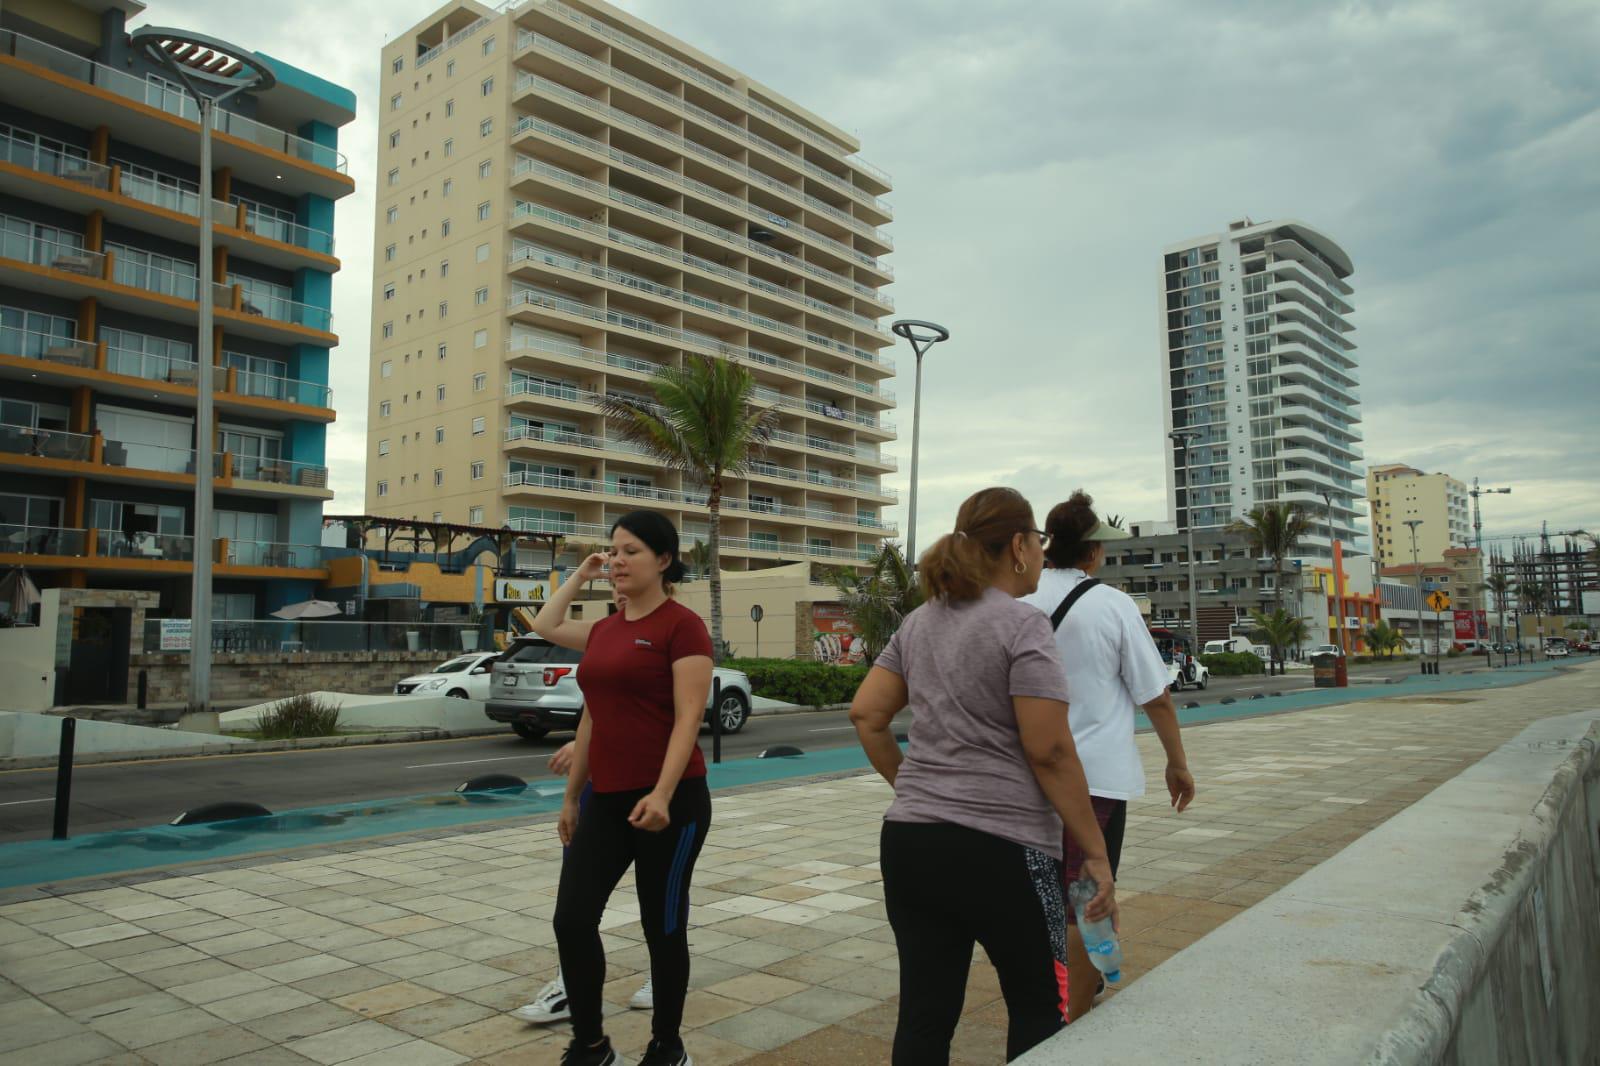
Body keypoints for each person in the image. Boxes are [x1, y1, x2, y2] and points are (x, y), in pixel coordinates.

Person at [850, 486, 1118, 1065]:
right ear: (1019, 546)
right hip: (1005, 849)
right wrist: (1094, 853)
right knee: (1040, 1008)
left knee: (925, 1014)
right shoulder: (1022, 626)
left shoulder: (919, 623)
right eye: (1038, 542)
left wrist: (916, 790)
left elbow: (867, 715)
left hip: (912, 843)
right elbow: (1049, 750)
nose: (1041, 554)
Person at [524, 511, 714, 1066]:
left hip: (672, 802)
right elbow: (589, 713)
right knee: (572, 919)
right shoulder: (605, 630)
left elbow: (688, 718)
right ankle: (591, 1045)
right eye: (613, 551)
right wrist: (571, 797)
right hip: (605, 800)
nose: (617, 561)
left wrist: (662, 793)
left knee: (663, 926)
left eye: (631, 551)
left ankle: (667, 1046)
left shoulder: (683, 627)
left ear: (664, 559)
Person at [1021, 490, 1196, 1022]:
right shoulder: (1113, 605)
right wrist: (1177, 762)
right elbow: (1155, 696)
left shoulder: (1019, 600)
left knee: (1038, 894)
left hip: (1027, 774)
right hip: (1093, 779)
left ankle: (1044, 998)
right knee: (1086, 893)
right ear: (1093, 551)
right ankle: (1072, 1014)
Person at [514, 597, 653, 1026]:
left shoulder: (673, 632)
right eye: (613, 576)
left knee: (658, 892)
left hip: (654, 784)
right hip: (601, 786)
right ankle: (571, 986)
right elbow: (544, 624)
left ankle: (664, 974)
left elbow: (677, 718)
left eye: (628, 567)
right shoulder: (602, 633)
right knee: (575, 903)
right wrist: (571, 795)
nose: (620, 585)